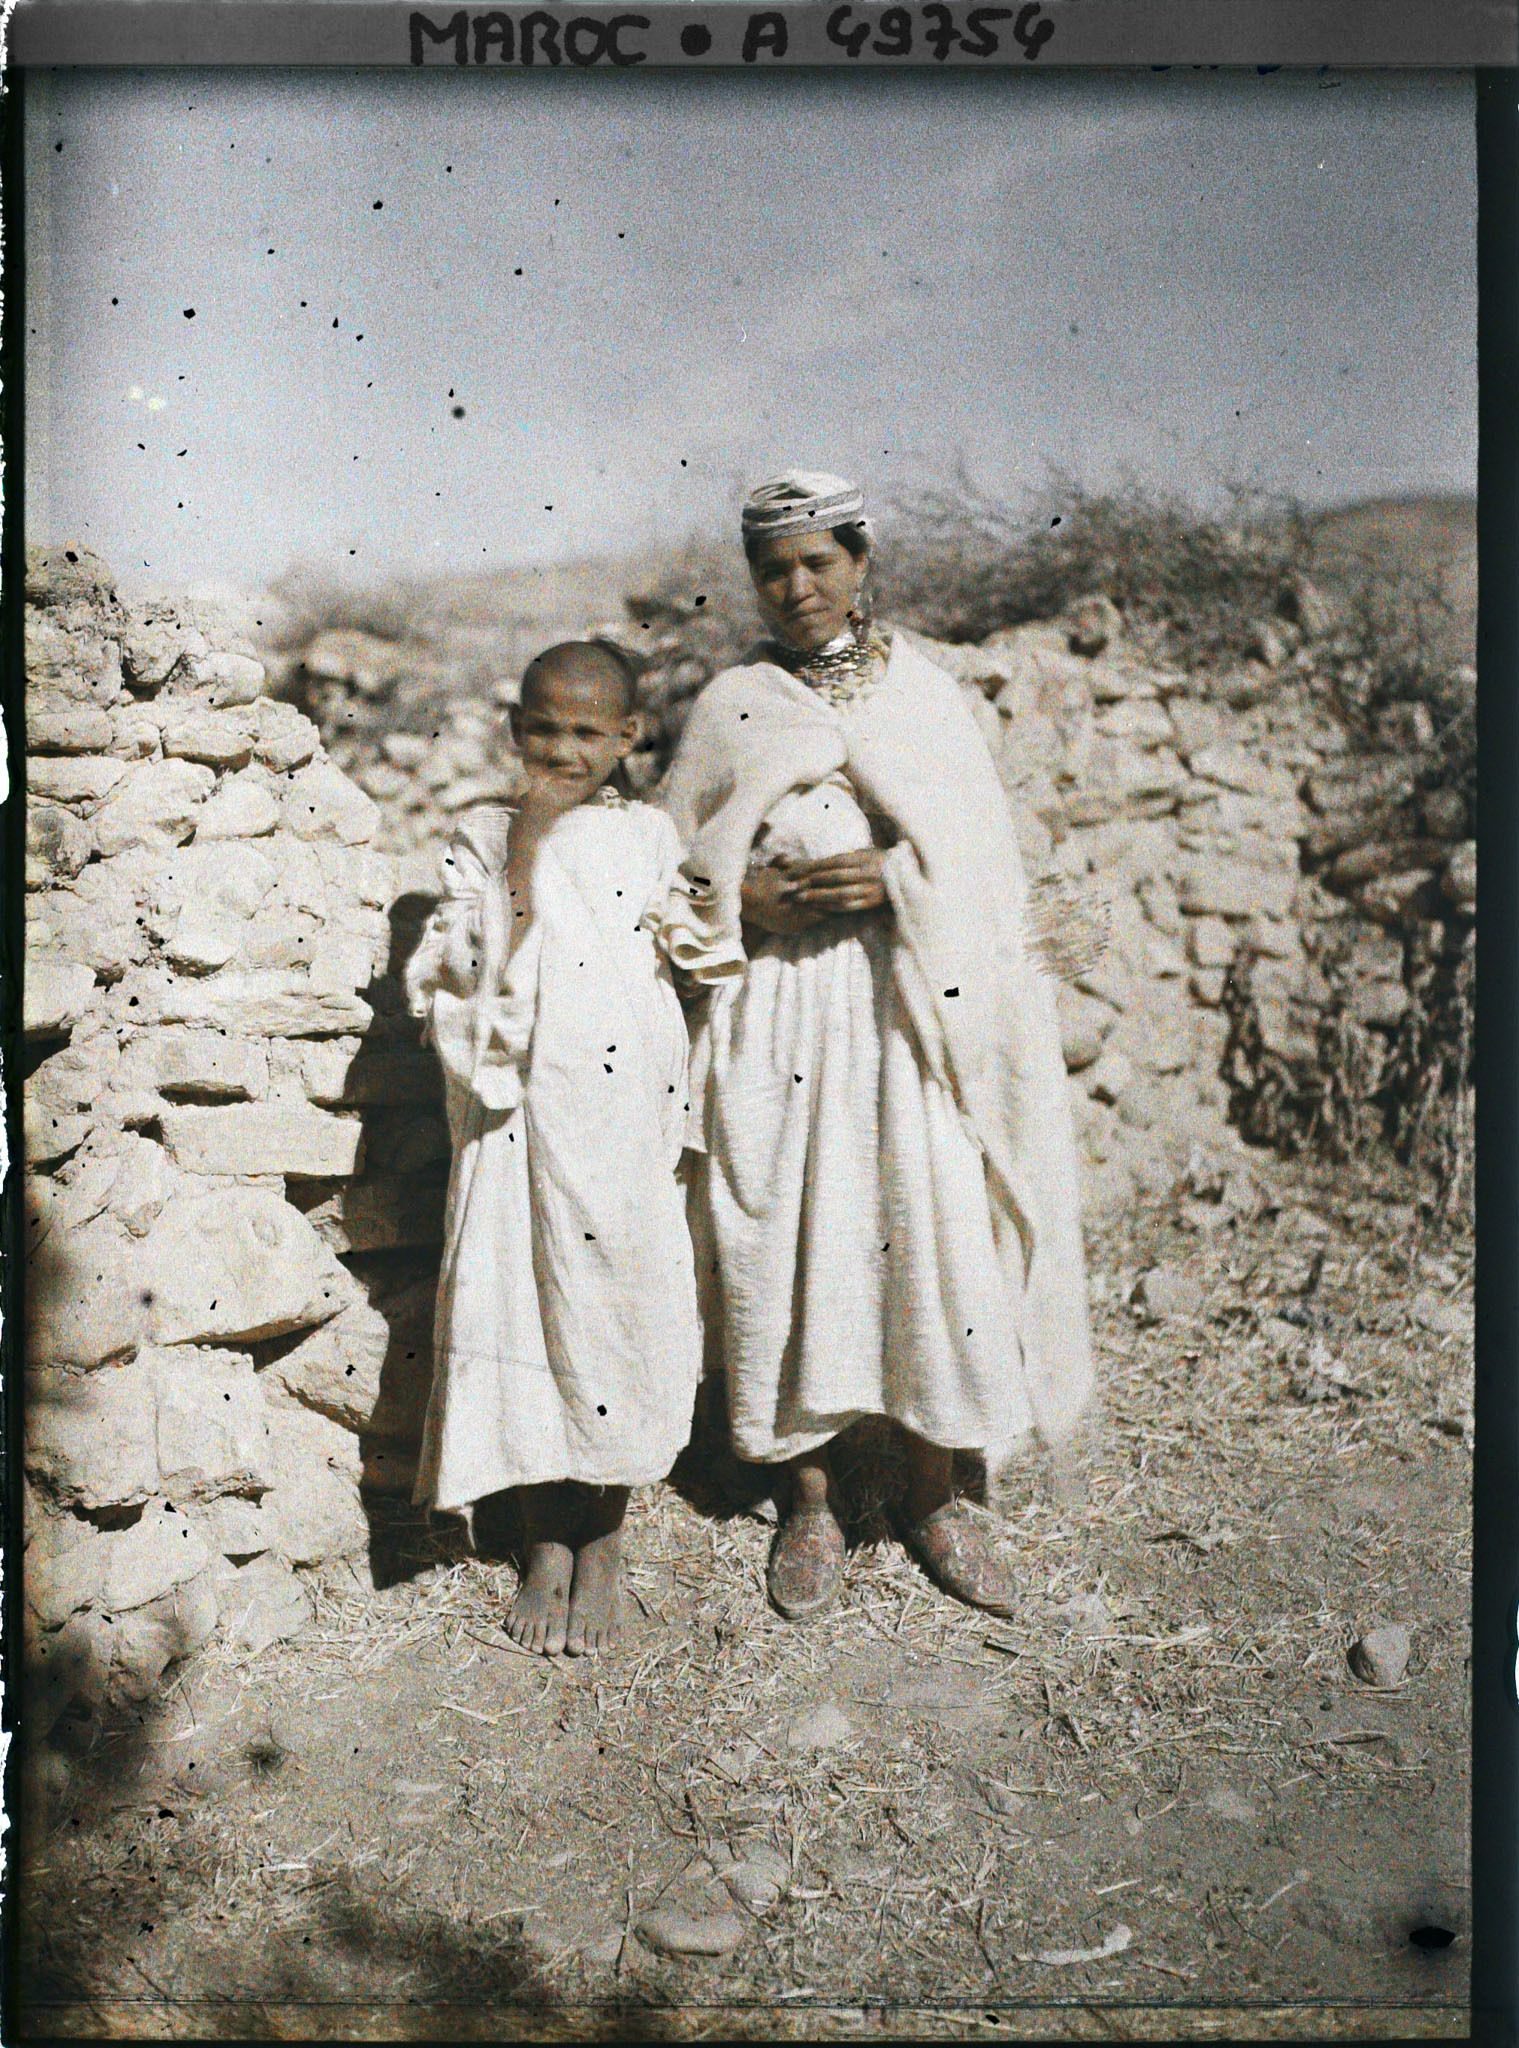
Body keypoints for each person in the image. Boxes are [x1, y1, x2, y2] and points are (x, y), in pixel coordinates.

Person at [657, 471, 1094, 1622]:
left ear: (861, 562)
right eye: (772, 568)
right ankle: (808, 1494)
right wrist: (742, 896)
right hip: (781, 1014)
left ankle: (932, 1493)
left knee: (927, 1226)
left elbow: (986, 874)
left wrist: (901, 879)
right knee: (790, 1234)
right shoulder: (732, 703)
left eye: (819, 560)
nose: (796, 586)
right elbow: (670, 870)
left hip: (913, 1011)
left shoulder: (926, 695)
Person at [405, 641, 700, 1656]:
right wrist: (525, 853)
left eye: (587, 732)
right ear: (513, 725)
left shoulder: (650, 835)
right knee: (521, 1310)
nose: (561, 749)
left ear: (627, 738)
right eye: (542, 727)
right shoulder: (479, 835)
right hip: (515, 1120)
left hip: (616, 1120)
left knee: (613, 1305)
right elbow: (452, 973)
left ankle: (606, 1530)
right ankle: (543, 1541)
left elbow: (693, 947)